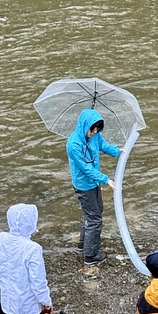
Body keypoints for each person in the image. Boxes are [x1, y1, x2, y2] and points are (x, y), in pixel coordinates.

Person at [66, 108, 122, 266]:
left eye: (98, 129)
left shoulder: (95, 135)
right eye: (93, 129)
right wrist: (106, 179)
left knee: (95, 212)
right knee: (95, 218)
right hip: (84, 185)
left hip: (94, 182)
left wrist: (117, 152)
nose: (95, 132)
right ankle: (90, 255)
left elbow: (103, 145)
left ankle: (83, 244)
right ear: (85, 126)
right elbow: (85, 169)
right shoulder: (73, 144)